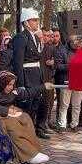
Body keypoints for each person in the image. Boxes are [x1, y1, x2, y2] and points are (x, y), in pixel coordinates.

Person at [0, 71, 53, 164]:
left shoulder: (12, 90)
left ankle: (34, 151)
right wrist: (7, 111)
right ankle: (28, 155)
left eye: (12, 84)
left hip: (7, 112)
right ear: (2, 83)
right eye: (9, 84)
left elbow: (27, 93)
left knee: (25, 118)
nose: (11, 87)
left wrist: (43, 87)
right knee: (13, 125)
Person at [11, 8, 51, 139]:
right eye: (34, 20)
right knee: (27, 108)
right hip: (27, 77)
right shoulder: (20, 37)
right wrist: (20, 83)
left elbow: (37, 56)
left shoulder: (33, 37)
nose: (37, 22)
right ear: (26, 22)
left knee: (34, 106)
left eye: (37, 20)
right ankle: (23, 135)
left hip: (35, 76)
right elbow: (18, 62)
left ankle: (31, 132)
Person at [55, 35, 82, 132]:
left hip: (79, 81)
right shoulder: (62, 51)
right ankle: (62, 125)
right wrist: (72, 65)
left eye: (80, 44)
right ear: (70, 42)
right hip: (66, 81)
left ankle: (74, 124)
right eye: (76, 44)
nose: (78, 46)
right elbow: (58, 67)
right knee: (64, 105)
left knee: (77, 105)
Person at [40, 27, 56, 134]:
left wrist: (53, 63)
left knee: (49, 103)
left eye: (48, 36)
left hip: (49, 79)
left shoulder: (51, 48)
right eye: (44, 35)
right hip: (38, 80)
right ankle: (40, 126)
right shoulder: (38, 47)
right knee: (41, 104)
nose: (46, 38)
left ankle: (45, 124)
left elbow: (56, 63)